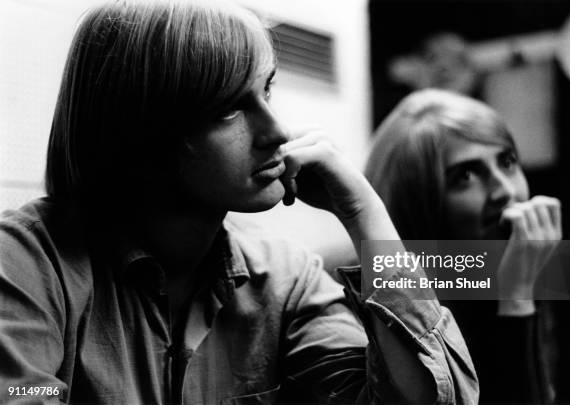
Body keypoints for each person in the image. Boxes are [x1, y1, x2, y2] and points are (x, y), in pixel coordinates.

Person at [0, 2, 478, 404]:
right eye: (228, 108)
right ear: (142, 133)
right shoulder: (26, 262)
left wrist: (363, 211)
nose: (277, 132)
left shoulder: (286, 279)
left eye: (266, 88)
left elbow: (434, 397)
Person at [365, 89, 562, 404]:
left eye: (508, 162)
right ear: (416, 204)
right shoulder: (392, 314)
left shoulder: (528, 266)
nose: (506, 191)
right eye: (466, 175)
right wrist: (517, 299)